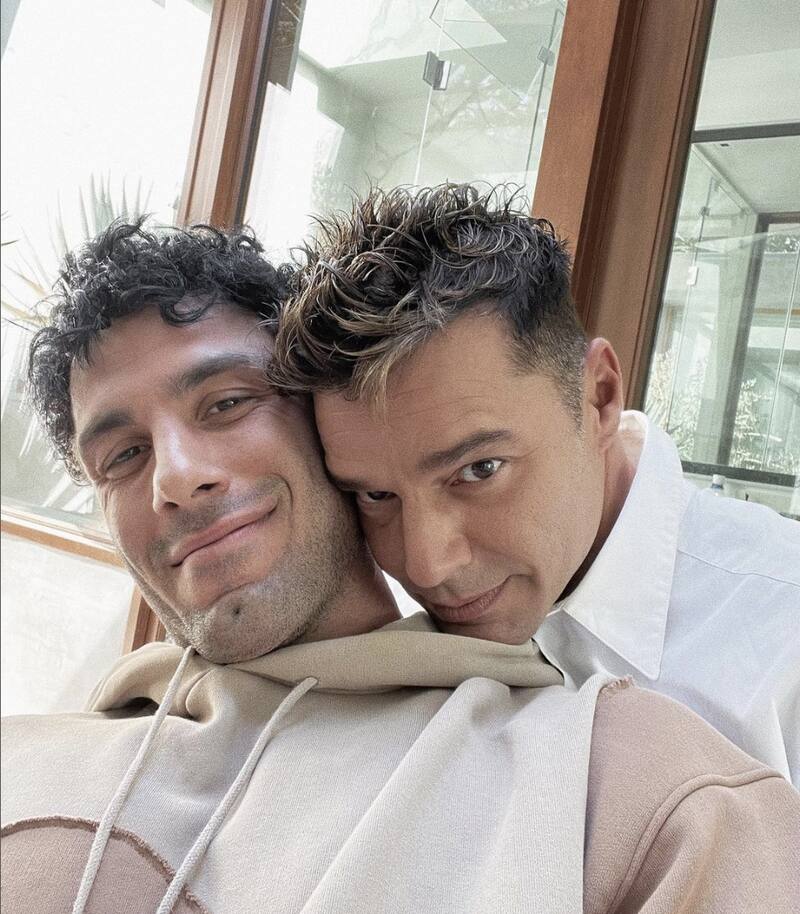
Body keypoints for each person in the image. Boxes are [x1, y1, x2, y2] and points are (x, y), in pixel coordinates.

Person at [2, 221, 798, 914]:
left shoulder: (642, 786)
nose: (429, 560)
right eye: (122, 455)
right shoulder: (44, 749)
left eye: (227, 402)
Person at [269, 183, 800, 786]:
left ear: (598, 397)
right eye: (376, 495)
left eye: (480, 470)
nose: (426, 566)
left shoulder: (783, 646)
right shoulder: (379, 624)